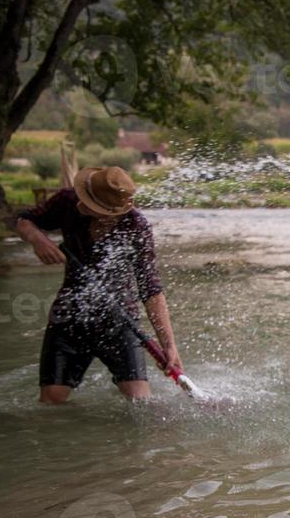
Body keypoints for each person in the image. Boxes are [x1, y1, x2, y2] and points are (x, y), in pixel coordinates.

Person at [14, 165, 184, 404]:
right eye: (84, 200)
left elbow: (150, 288)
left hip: (120, 320)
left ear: (117, 210)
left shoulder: (136, 226)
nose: (82, 207)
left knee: (141, 402)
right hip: (69, 317)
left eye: (93, 207)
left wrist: (169, 345)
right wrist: (37, 239)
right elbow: (24, 220)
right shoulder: (67, 200)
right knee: (51, 402)